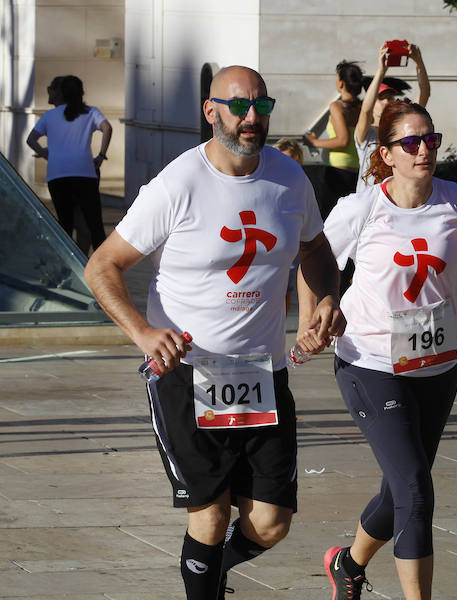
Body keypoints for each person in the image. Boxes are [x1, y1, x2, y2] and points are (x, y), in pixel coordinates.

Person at [83, 66, 343, 600]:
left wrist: (327, 300)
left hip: (261, 374)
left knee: (271, 522)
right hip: (185, 373)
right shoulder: (178, 184)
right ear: (211, 111)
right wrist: (144, 334)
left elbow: (315, 250)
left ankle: (207, 573)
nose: (252, 118)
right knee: (210, 512)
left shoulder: (289, 178)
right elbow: (101, 266)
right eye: (239, 106)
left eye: (261, 107)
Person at [297, 100, 457, 600]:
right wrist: (315, 315)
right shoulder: (362, 209)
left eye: (431, 139)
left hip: (439, 366)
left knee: (404, 484)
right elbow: (313, 260)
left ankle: (347, 562)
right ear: (387, 153)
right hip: (370, 361)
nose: (424, 149)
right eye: (410, 142)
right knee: (414, 491)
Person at [27, 74, 112, 254]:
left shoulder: (50, 115)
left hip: (58, 175)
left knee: (65, 224)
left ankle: (66, 265)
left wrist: (45, 153)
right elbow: (107, 127)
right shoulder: (90, 112)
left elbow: (31, 139)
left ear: (61, 93)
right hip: (85, 173)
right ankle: (103, 265)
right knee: (94, 224)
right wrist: (101, 155)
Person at [355, 43, 430, 193]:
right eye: (380, 98)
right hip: (369, 201)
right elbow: (365, 110)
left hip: (396, 199)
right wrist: (382, 70)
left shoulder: (402, 128)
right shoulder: (367, 133)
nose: (386, 101)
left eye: (390, 97)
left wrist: (419, 62)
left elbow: (424, 94)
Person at [305, 60, 363, 217]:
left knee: (330, 220)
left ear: (342, 83)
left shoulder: (337, 107)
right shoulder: (363, 107)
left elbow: (343, 140)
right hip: (359, 171)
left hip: (338, 172)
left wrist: (314, 142)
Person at [273, 138, 306, 315]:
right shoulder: (267, 180)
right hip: (267, 241)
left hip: (290, 241)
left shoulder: (300, 184)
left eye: (291, 160)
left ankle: (281, 325)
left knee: (287, 289)